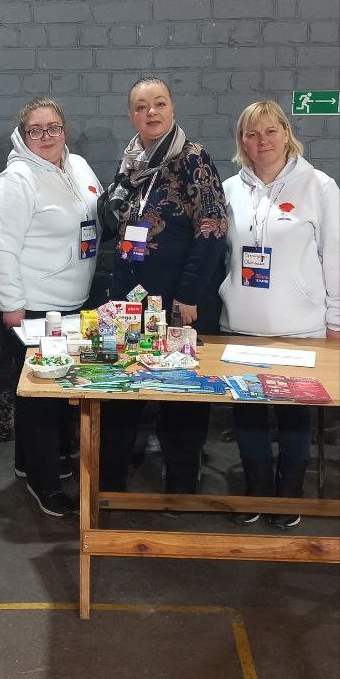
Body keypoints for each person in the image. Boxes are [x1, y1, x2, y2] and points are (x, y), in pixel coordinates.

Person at [98, 76, 227, 492]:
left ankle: (181, 489)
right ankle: (110, 486)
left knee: (180, 397)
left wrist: (189, 294)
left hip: (176, 304)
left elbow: (212, 228)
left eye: (158, 103)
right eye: (141, 106)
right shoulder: (131, 163)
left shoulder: (193, 158)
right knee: (120, 392)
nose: (150, 112)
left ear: (172, 108)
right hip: (129, 302)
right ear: (131, 114)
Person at [220, 99, 340, 529]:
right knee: (248, 413)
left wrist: (336, 321)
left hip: (300, 329)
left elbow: (336, 258)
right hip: (241, 325)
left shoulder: (319, 187)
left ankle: (289, 495)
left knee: (294, 414)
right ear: (242, 142)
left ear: (287, 134)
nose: (262, 141)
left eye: (271, 131)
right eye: (252, 134)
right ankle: (257, 491)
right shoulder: (229, 190)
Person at [0, 97, 102, 517]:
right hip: (33, 308)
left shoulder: (79, 167)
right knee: (40, 396)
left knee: (56, 392)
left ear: (64, 130)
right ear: (23, 135)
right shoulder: (15, 181)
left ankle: (30, 462)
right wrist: (11, 305)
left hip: (73, 303)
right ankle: (44, 482)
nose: (46, 136)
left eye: (53, 127)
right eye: (36, 130)